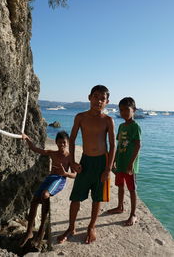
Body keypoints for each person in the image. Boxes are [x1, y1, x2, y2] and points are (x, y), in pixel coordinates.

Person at [57, 85, 116, 244]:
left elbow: (112, 145)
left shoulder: (108, 120)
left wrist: (108, 169)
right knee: (76, 197)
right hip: (85, 161)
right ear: (89, 97)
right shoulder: (80, 117)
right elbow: (73, 139)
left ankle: (91, 226)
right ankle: (71, 227)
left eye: (102, 98)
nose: (98, 101)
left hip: (101, 162)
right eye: (95, 97)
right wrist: (73, 162)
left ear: (107, 102)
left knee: (97, 198)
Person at [20, 131, 76, 247]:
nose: (62, 145)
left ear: (68, 143)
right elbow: (35, 149)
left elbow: (75, 174)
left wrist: (65, 173)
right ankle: (29, 231)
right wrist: (26, 138)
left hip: (60, 179)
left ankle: (41, 231)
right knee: (35, 199)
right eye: (59, 143)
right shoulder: (53, 153)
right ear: (56, 143)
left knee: (45, 194)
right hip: (50, 178)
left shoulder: (70, 157)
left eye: (64, 143)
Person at [107, 97, 141, 226]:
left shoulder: (135, 126)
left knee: (132, 189)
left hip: (129, 165)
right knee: (120, 186)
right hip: (120, 163)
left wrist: (131, 163)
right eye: (121, 110)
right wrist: (114, 160)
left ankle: (133, 214)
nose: (124, 113)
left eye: (127, 110)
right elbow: (119, 144)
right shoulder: (121, 126)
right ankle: (120, 206)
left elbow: (138, 145)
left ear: (134, 110)